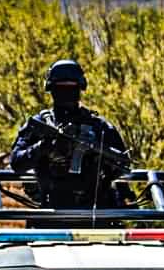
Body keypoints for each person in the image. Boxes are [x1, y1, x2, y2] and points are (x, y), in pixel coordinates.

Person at [9, 59, 131, 208]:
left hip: (95, 212)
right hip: (52, 212)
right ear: (51, 89)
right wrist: (45, 147)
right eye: (61, 87)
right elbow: (16, 162)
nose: (66, 92)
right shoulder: (40, 124)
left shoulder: (98, 126)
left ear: (79, 88)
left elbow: (123, 162)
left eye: (71, 87)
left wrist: (97, 153)